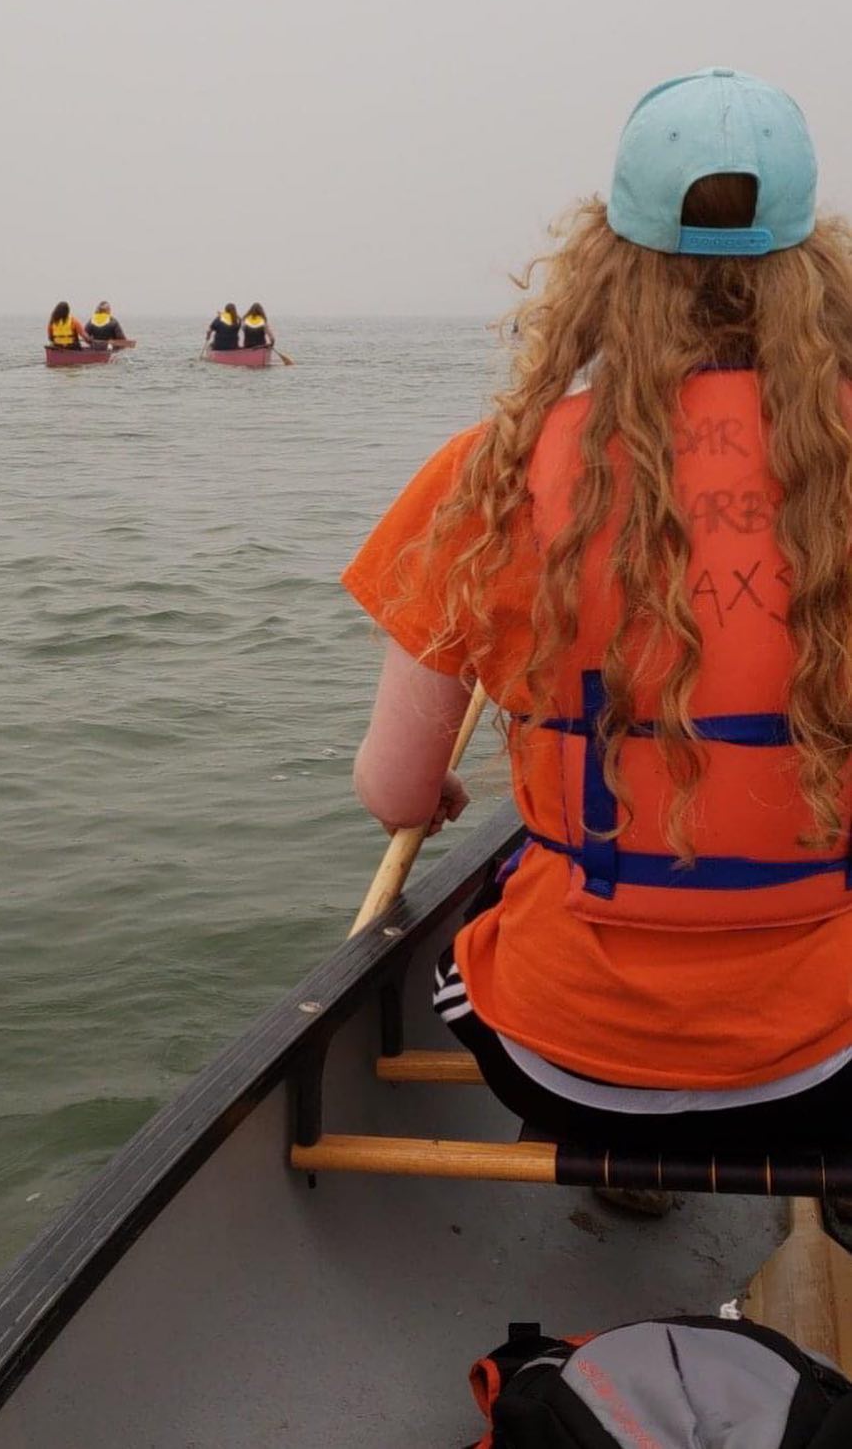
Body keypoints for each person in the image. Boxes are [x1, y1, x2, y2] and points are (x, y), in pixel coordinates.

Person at [342, 68, 852, 1156]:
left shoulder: (494, 473)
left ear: (604, 271)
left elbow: (390, 786)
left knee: (484, 921)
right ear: (815, 272)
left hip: (564, 1062)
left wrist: (428, 787)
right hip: (828, 1056)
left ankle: (630, 1174)